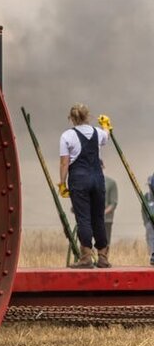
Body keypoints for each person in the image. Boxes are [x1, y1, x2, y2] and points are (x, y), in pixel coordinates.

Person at [59, 103, 111, 267]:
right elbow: (107, 136)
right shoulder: (98, 132)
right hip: (97, 178)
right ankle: (103, 257)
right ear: (88, 116)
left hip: (79, 180)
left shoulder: (67, 136)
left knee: (83, 219)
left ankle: (86, 257)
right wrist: (106, 125)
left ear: (71, 119)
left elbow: (64, 163)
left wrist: (62, 183)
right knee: (98, 218)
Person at [103, 172, 119, 244]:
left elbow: (113, 203)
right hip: (89, 220)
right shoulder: (86, 181)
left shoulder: (110, 182)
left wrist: (102, 213)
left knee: (105, 243)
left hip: (106, 219)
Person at [144, 173, 154, 266]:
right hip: (149, 223)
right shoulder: (147, 196)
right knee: (150, 239)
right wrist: (146, 222)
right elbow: (143, 210)